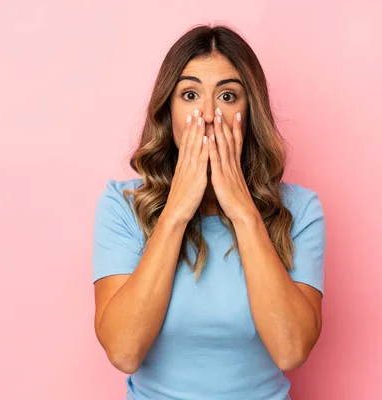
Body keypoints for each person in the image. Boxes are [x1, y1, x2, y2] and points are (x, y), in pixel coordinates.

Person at [92, 24, 326, 400]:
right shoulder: (122, 205)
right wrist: (175, 213)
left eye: (228, 96)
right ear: (168, 110)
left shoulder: (300, 210)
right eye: (189, 94)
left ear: (250, 112)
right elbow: (123, 351)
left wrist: (243, 213)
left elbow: (291, 350)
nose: (209, 114)